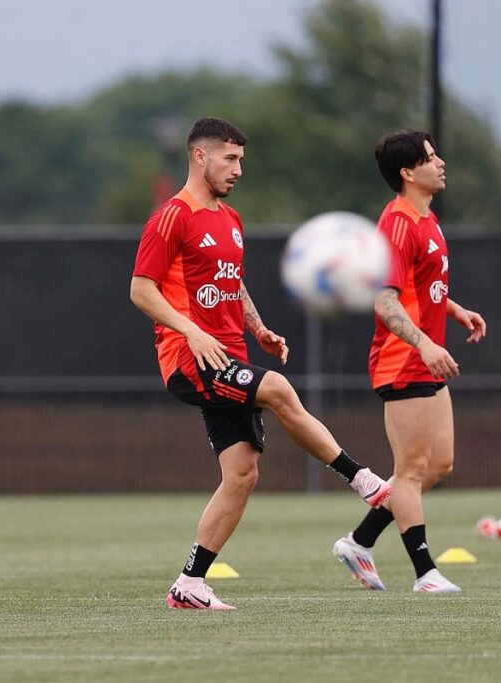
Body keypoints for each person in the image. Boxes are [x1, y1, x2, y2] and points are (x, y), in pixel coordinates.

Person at [130, 117, 393, 610]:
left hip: (229, 354)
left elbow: (233, 282)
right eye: (229, 159)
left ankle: (190, 584)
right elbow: (140, 289)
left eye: (241, 160)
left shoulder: (230, 219)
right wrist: (191, 329)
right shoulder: (171, 217)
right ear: (199, 156)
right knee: (278, 390)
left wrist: (258, 327)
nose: (237, 170)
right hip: (190, 358)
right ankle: (362, 479)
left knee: (243, 474)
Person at [331, 130, 486, 593]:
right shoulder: (397, 223)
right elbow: (384, 301)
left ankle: (360, 543)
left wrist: (453, 311)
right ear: (407, 172)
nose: (440, 163)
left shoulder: (426, 218)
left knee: (439, 466)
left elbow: (420, 284)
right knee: (413, 469)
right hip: (402, 360)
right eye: (430, 157)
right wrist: (424, 344)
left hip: (425, 357)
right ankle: (425, 574)